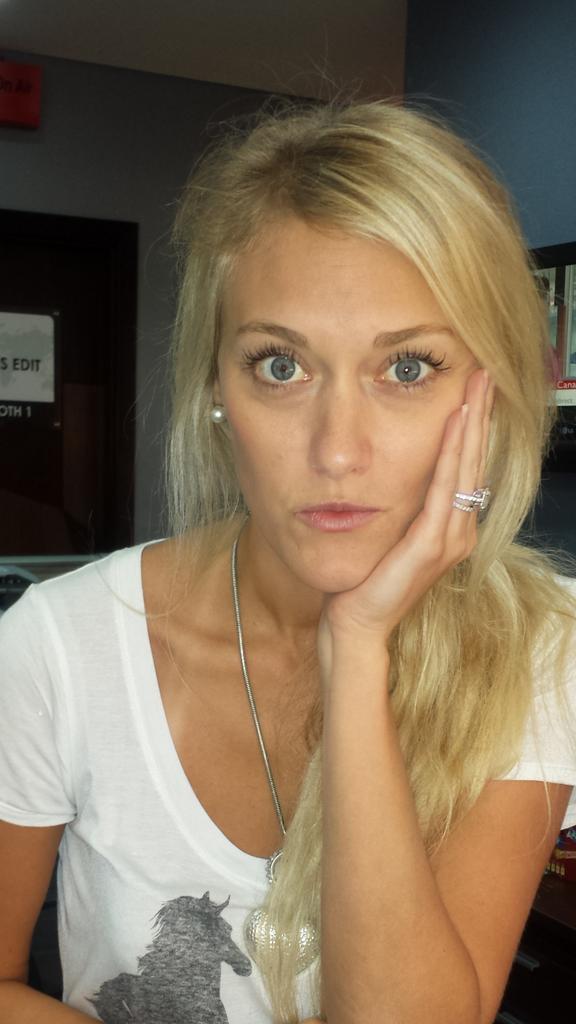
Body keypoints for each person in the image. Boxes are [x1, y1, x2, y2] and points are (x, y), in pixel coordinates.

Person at [1, 98, 576, 1024]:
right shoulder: (61, 646)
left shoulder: (543, 647)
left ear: (493, 392)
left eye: (408, 368)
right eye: (281, 366)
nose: (337, 450)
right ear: (217, 389)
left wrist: (358, 649)